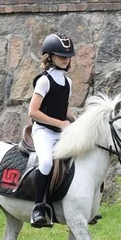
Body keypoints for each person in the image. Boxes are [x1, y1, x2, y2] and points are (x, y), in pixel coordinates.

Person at [27, 34, 78, 228]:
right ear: (50, 57)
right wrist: (59, 123)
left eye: (67, 56)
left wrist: (76, 120)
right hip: (43, 132)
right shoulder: (44, 81)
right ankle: (39, 207)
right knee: (47, 163)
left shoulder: (68, 82)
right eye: (60, 55)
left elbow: (62, 107)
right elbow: (33, 111)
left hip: (60, 131)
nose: (65, 59)